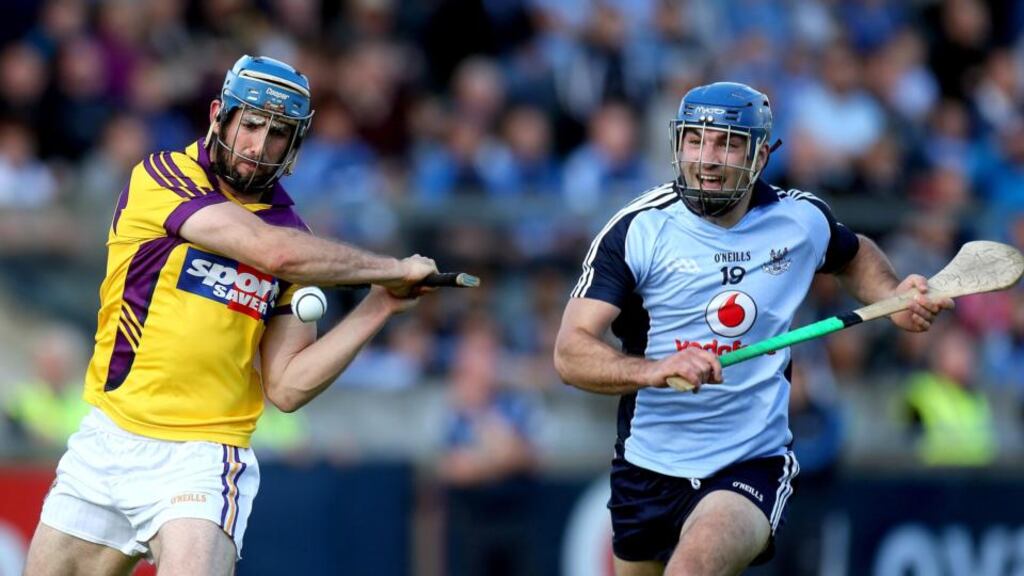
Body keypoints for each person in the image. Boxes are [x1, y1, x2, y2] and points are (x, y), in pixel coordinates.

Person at [23, 55, 438, 576]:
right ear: (219, 115)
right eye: (252, 123)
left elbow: (288, 386)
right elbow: (271, 253)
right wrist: (391, 268)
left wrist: (380, 305)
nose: (258, 146)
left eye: (278, 133)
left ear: (295, 145)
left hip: (203, 457)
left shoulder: (297, 239)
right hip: (109, 437)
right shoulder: (163, 177)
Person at [552, 81, 953, 576]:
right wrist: (653, 370)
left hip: (749, 463)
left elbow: (853, 255)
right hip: (647, 467)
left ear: (760, 155)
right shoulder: (637, 230)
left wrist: (890, 297)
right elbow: (570, 352)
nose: (707, 159)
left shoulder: (799, 220)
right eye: (695, 140)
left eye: (727, 143)